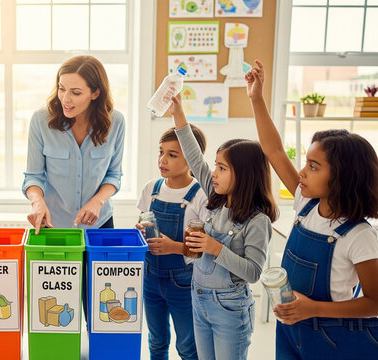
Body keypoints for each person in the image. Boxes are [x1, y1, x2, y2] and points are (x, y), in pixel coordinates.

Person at [246, 59, 378, 359]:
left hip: (332, 339)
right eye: (306, 163)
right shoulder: (306, 204)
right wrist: (256, 98)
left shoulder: (359, 236)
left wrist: (314, 309)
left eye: (313, 166)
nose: (302, 172)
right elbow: (274, 151)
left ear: (343, 176)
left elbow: (375, 302)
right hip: (292, 330)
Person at [171, 94, 277, 360]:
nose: (213, 174)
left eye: (222, 168)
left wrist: (216, 248)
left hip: (230, 307)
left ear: (244, 175)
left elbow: (253, 272)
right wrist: (178, 113)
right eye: (215, 167)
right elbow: (195, 159)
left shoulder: (258, 221)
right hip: (199, 297)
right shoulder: (216, 200)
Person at [23, 55, 125, 232]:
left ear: (95, 93)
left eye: (75, 93)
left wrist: (97, 202)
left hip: (99, 223)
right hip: (53, 223)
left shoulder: (116, 122)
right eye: (61, 89)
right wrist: (37, 202)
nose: (65, 99)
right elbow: (33, 176)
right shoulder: (41, 120)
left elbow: (114, 174)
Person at [135, 125, 207, 360]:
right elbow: (141, 223)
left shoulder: (200, 196)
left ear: (193, 159)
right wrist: (140, 230)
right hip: (150, 277)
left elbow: (207, 248)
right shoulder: (151, 189)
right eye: (161, 152)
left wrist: (173, 247)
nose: (162, 159)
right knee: (156, 341)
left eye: (172, 154)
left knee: (187, 345)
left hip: (184, 281)